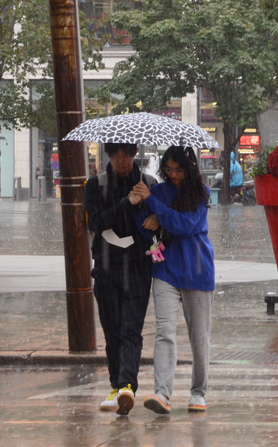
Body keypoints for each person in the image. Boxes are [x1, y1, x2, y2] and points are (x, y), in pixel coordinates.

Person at [132, 145, 215, 415]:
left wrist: (158, 211)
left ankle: (198, 393)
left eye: (178, 169)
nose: (174, 175)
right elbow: (143, 228)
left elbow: (185, 226)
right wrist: (141, 208)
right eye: (168, 170)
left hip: (197, 271)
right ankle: (162, 394)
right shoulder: (158, 191)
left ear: (189, 168)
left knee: (198, 336)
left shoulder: (200, 193)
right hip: (165, 270)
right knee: (164, 332)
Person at [84, 142, 157, 416]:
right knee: (112, 330)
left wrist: (156, 217)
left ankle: (127, 386)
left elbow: (161, 218)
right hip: (106, 267)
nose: (122, 160)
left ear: (135, 153)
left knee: (130, 329)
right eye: (116, 155)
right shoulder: (96, 185)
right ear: (109, 156)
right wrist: (129, 203)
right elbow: (97, 222)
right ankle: (115, 386)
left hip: (138, 268)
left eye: (126, 154)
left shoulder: (148, 182)